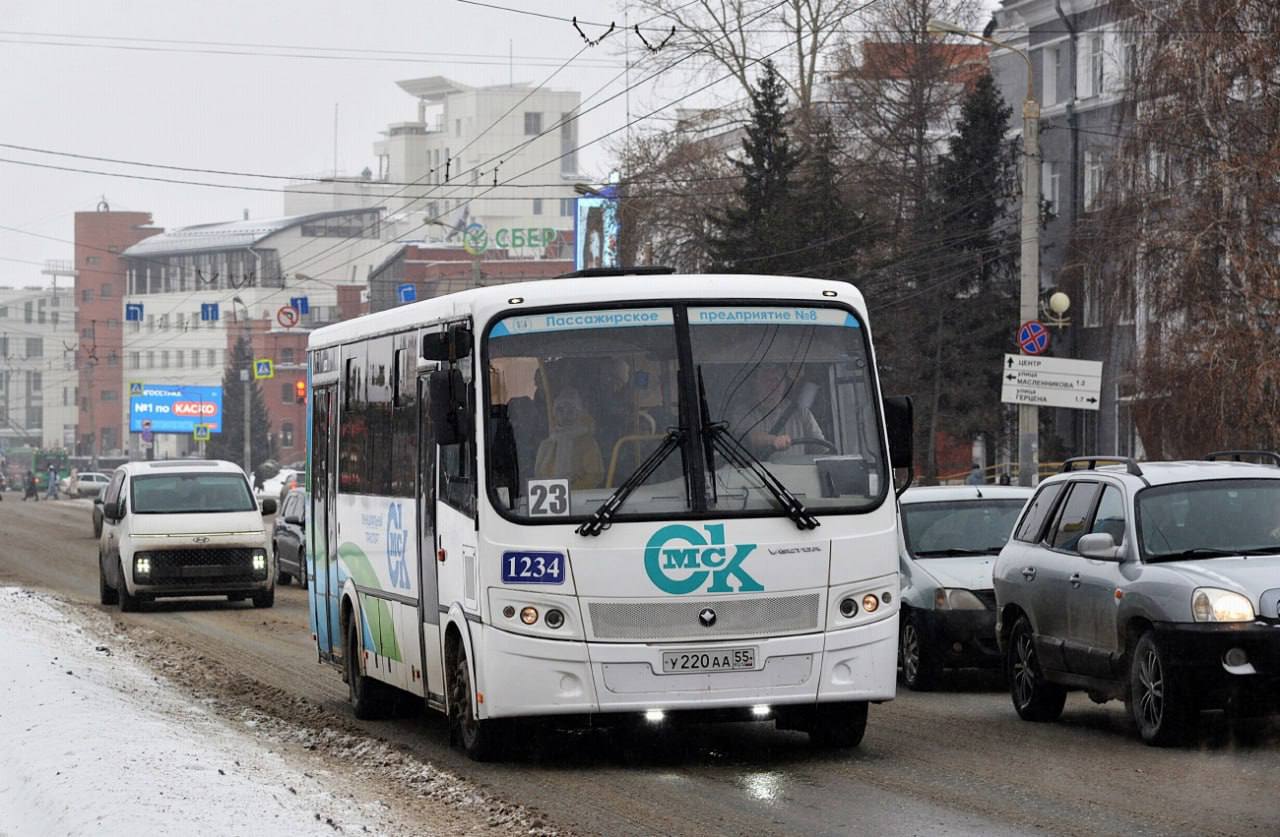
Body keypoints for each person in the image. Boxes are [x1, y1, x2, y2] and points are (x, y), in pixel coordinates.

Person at [727, 364, 825, 459]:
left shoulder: (802, 413)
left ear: (784, 384)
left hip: (796, 474)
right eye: (766, 380)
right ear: (756, 383)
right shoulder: (744, 412)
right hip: (758, 474)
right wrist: (773, 440)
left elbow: (821, 446)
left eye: (776, 380)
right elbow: (742, 439)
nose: (772, 385)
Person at [533, 387, 604, 490]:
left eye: (570, 410)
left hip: (580, 500)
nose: (565, 414)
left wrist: (571, 488)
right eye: (560, 410)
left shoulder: (588, 443)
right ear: (555, 414)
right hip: (550, 501)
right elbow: (538, 477)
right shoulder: (546, 445)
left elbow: (595, 476)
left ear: (578, 413)